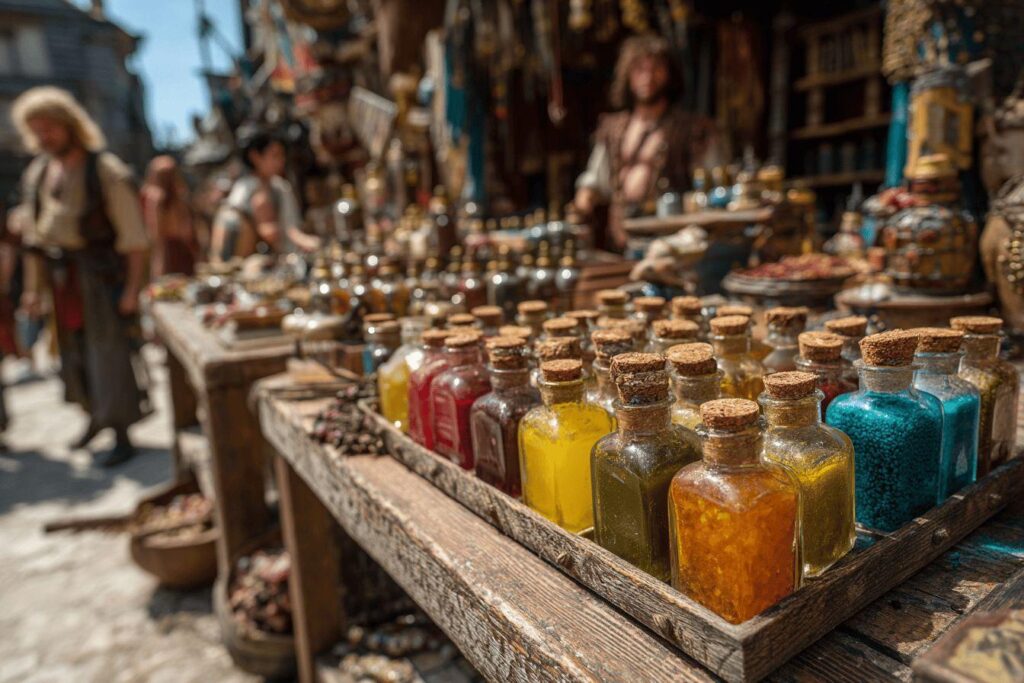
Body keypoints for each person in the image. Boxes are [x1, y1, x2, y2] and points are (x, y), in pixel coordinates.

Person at [11, 86, 148, 467]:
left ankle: (120, 430)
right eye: (37, 131)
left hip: (100, 278)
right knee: (72, 356)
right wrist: (33, 290)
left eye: (49, 128)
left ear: (68, 124)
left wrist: (132, 289)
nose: (44, 137)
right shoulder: (39, 173)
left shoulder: (104, 170)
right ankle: (94, 417)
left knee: (108, 355)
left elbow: (135, 238)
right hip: (61, 280)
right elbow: (35, 240)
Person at [574, 36, 724, 252]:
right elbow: (595, 181)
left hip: (671, 242)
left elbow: (713, 185)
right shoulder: (613, 129)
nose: (648, 76)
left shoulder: (692, 130)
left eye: (656, 68)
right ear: (628, 75)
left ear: (669, 73)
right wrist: (583, 203)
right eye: (639, 69)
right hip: (621, 240)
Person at [210, 129, 319, 261]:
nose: (281, 161)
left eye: (282, 155)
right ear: (255, 157)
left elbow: (289, 228)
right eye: (274, 155)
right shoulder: (244, 190)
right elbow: (268, 231)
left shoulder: (280, 187)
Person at [140, 155, 199, 277]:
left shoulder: (179, 196)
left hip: (179, 248)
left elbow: (187, 230)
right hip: (166, 249)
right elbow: (155, 233)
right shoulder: (154, 197)